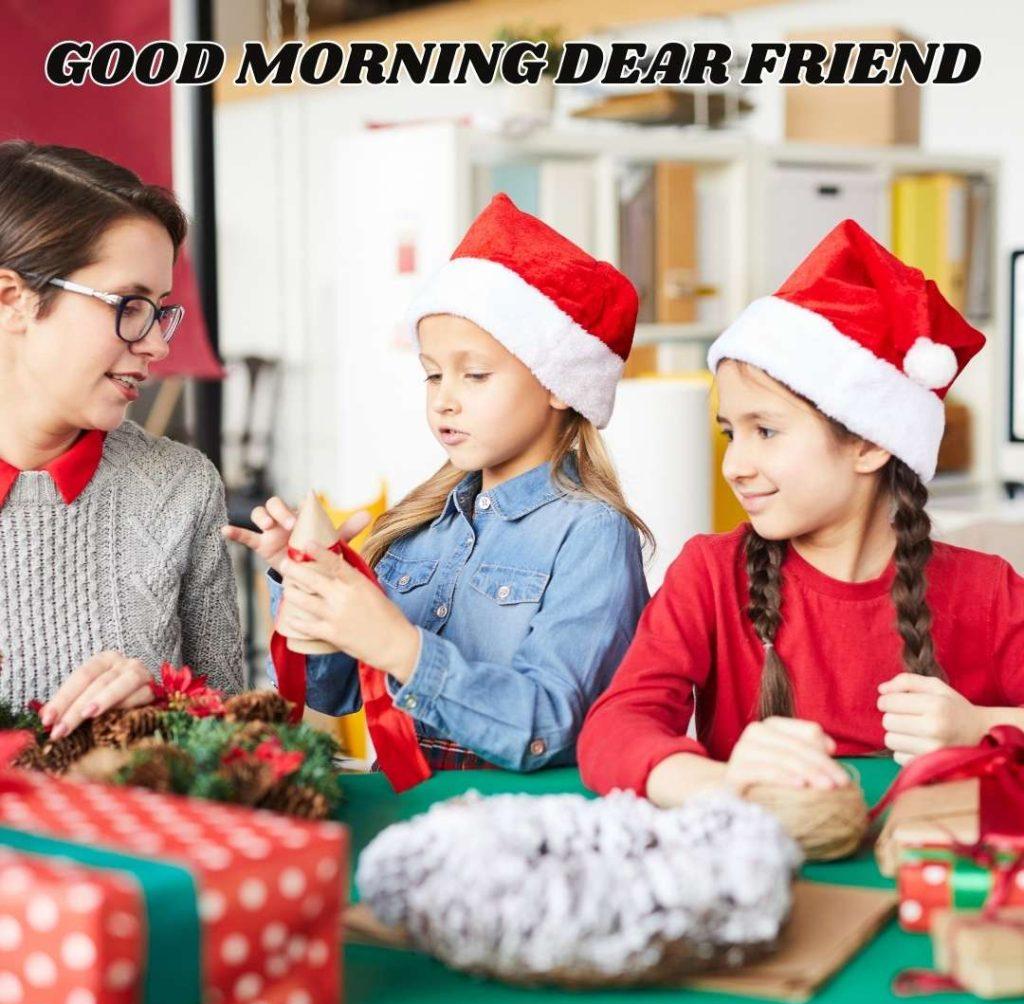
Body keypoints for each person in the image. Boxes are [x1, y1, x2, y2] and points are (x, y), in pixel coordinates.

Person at [579, 218, 1024, 803]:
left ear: (868, 442)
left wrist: (981, 727)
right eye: (730, 433)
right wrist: (726, 782)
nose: (734, 464)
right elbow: (613, 732)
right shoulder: (711, 576)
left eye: (765, 430)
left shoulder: (986, 591)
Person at [225, 194, 650, 771]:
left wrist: (401, 648)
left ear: (558, 384)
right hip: (409, 817)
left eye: (474, 374)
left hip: (516, 832)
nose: (445, 399)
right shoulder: (418, 527)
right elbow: (334, 693)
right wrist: (307, 583)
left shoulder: (592, 534)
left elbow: (548, 725)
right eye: (432, 374)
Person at [0, 141, 245, 738]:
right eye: (129, 305)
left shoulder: (179, 487)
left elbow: (234, 740)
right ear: (13, 299)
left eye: (160, 310)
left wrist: (162, 718)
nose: (157, 345)